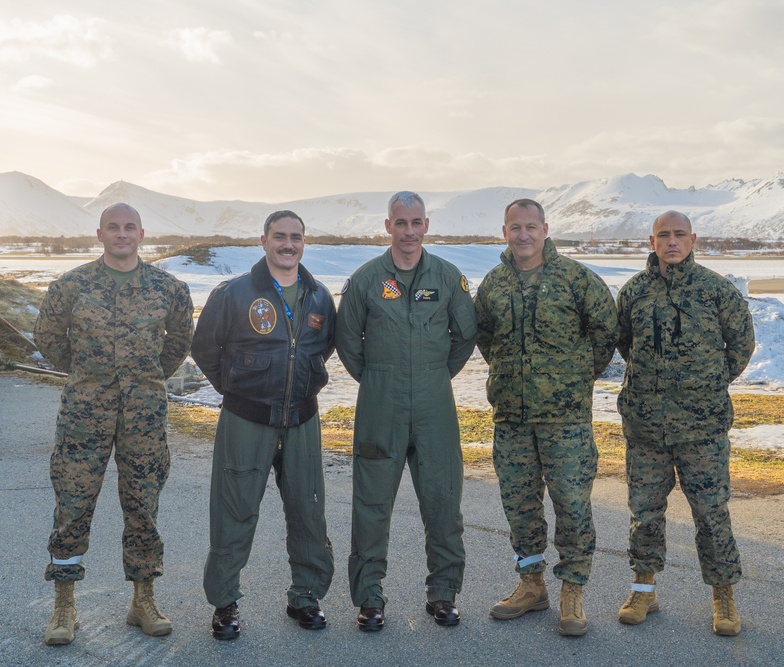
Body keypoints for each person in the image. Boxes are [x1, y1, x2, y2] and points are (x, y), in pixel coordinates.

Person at [34, 203, 194, 645]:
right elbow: (49, 340)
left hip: (144, 416)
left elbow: (179, 342)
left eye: (129, 228)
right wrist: (88, 375)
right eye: (113, 228)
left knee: (143, 506)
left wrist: (144, 377)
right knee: (72, 507)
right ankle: (64, 606)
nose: (121, 234)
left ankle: (143, 599)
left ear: (142, 234)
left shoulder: (169, 288)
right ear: (99, 234)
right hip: (84, 418)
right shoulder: (70, 287)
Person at [191, 210, 337, 640]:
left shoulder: (319, 297)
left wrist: (297, 385)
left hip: (302, 419)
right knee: (234, 510)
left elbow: (322, 349)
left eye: (295, 237)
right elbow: (205, 348)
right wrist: (236, 388)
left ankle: (305, 597)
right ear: (264, 241)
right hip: (246, 419)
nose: (287, 244)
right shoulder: (234, 294)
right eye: (279, 237)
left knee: (308, 511)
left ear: (304, 243)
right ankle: (225, 603)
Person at [474, 199, 617, 637]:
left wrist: (573, 377)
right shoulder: (494, 284)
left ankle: (572, 590)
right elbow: (485, 337)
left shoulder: (575, 279)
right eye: (515, 227)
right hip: (512, 419)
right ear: (504, 231)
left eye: (531, 227)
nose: (523, 235)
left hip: (565, 419)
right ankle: (531, 584)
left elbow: (606, 331)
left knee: (572, 505)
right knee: (520, 505)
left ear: (545, 229)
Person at [336, 191, 477, 632]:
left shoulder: (449, 277)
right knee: (372, 505)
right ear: (388, 226)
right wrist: (381, 379)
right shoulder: (364, 281)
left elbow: (465, 337)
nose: (409, 231)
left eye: (416, 222)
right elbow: (347, 343)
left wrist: (433, 375)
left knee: (442, 502)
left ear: (427, 225)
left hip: (435, 405)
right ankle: (370, 599)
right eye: (401, 223)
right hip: (381, 405)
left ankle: (443, 594)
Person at [615, 210, 754, 636]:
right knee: (644, 514)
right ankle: (643, 590)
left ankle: (723, 596)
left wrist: (709, 384)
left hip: (702, 428)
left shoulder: (716, 291)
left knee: (711, 513)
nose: (672, 242)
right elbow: (624, 343)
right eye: (663, 235)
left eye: (680, 235)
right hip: (647, 428)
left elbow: (742, 343)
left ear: (693, 239)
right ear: (651, 241)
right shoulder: (634, 292)